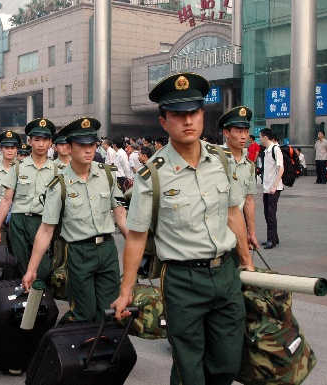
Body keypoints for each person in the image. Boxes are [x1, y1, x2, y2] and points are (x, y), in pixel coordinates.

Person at [111, 72, 254, 385]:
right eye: (178, 115)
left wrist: (247, 264)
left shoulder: (223, 160)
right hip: (182, 281)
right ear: (164, 122)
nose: (187, 121)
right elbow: (136, 236)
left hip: (225, 274)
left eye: (193, 113)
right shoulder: (152, 175)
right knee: (190, 369)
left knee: (228, 364)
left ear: (202, 115)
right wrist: (126, 291)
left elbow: (233, 213)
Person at [22, 117, 128, 323]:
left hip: (108, 250)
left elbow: (121, 215)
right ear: (69, 147)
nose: (89, 150)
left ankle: (102, 352)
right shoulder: (59, 184)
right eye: (82, 145)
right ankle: (66, 348)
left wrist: (136, 249)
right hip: (79, 253)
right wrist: (31, 269)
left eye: (92, 144)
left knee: (111, 311)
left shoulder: (107, 175)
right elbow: (46, 230)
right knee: (84, 313)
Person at [0, 118, 56, 280]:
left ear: (50, 143)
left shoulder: (57, 170)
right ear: (30, 142)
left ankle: (39, 300)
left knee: (43, 266)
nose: (41, 144)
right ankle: (25, 302)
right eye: (37, 140)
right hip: (19, 222)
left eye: (45, 140)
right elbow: (7, 201)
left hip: (43, 222)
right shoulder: (18, 168)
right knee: (21, 263)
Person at [218, 106, 259, 262]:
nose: (243, 136)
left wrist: (251, 232)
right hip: (215, 230)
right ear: (226, 133)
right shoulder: (214, 158)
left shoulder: (249, 165)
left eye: (246, 132)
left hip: (237, 229)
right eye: (238, 131)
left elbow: (248, 201)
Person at [259, 127, 284, 249]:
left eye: (260, 137)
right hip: (267, 188)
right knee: (267, 213)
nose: (259, 139)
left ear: (265, 137)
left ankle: (271, 240)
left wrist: (275, 185)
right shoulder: (267, 150)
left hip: (274, 188)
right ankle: (274, 237)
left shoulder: (275, 149)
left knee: (271, 214)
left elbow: (281, 168)